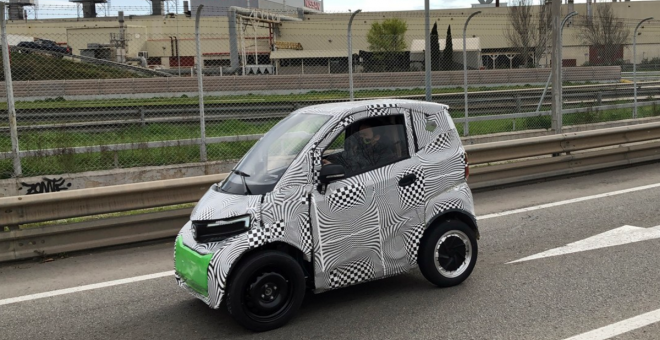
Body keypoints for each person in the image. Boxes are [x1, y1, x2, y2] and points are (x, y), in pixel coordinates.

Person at [322, 121, 397, 175]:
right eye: (360, 134)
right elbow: (346, 157)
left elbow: (365, 173)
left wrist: (340, 170)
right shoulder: (361, 148)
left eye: (364, 135)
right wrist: (331, 163)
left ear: (376, 137)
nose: (361, 137)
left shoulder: (385, 154)